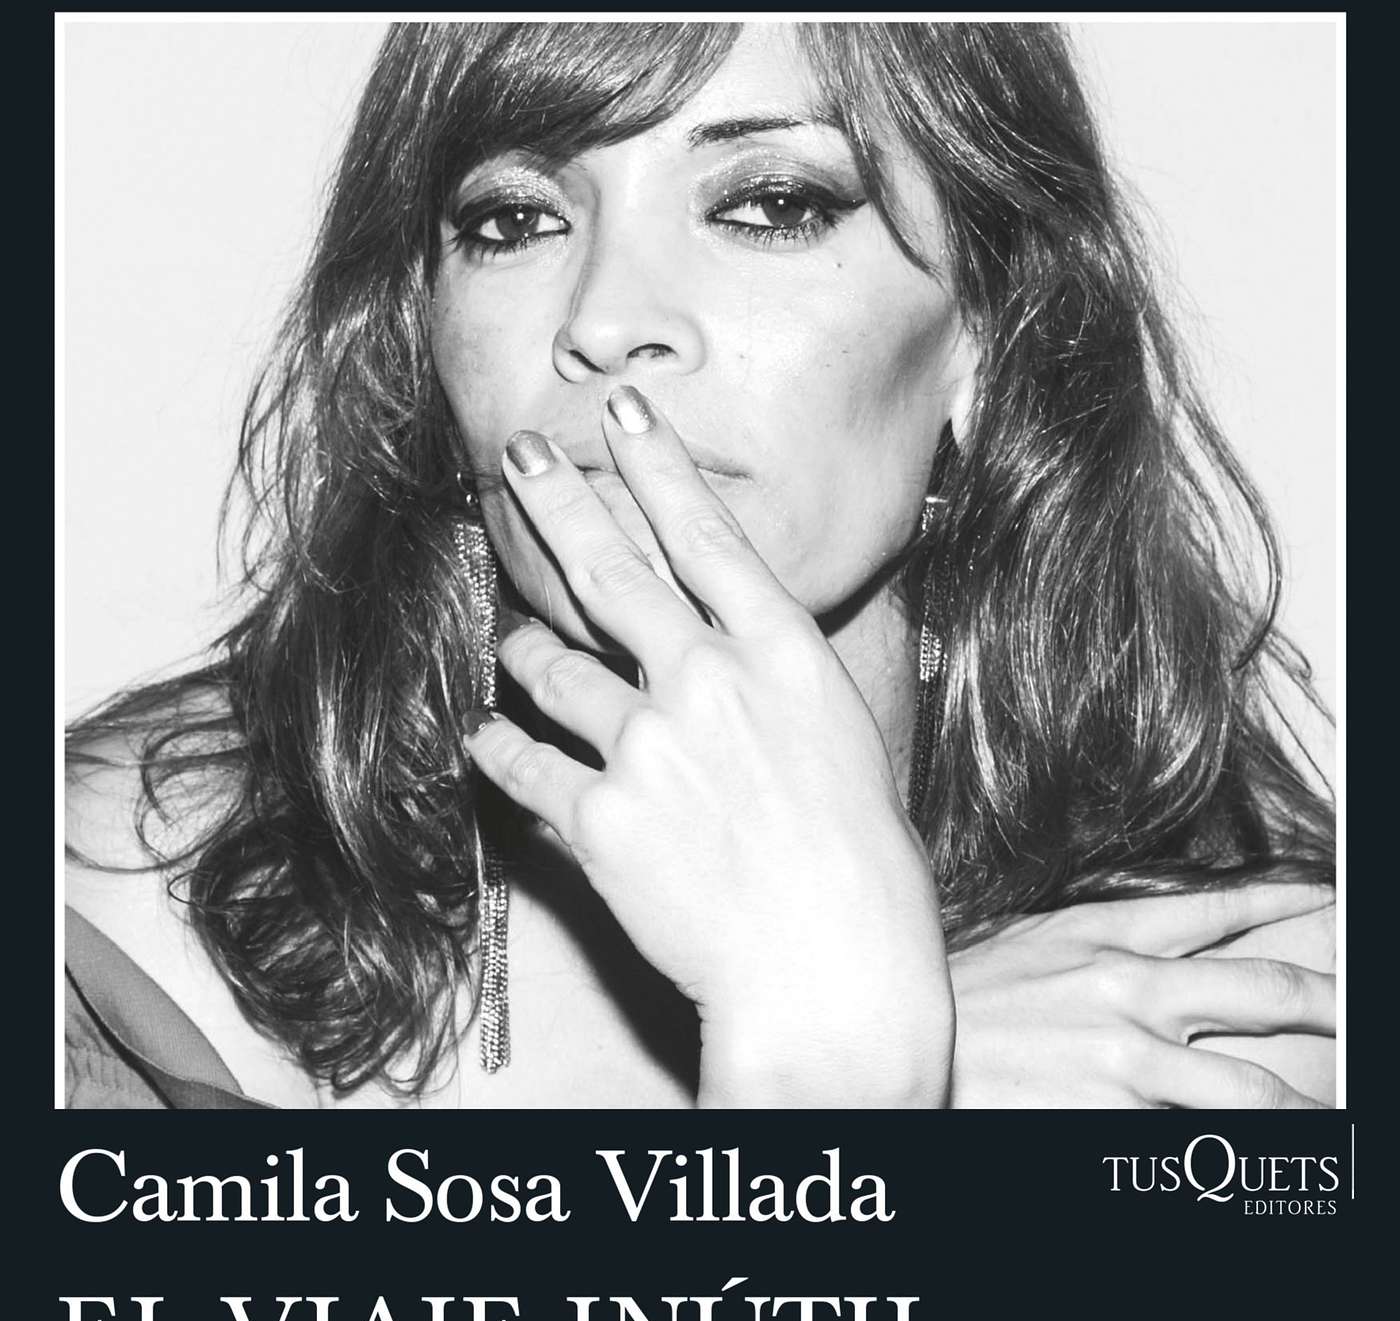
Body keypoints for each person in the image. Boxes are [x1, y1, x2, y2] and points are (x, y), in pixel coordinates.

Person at [65, 21, 1336, 1110]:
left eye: (769, 205)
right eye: (515, 219)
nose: (604, 319)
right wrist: (848, 1076)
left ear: (987, 334)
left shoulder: (1240, 997)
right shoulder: (126, 897)